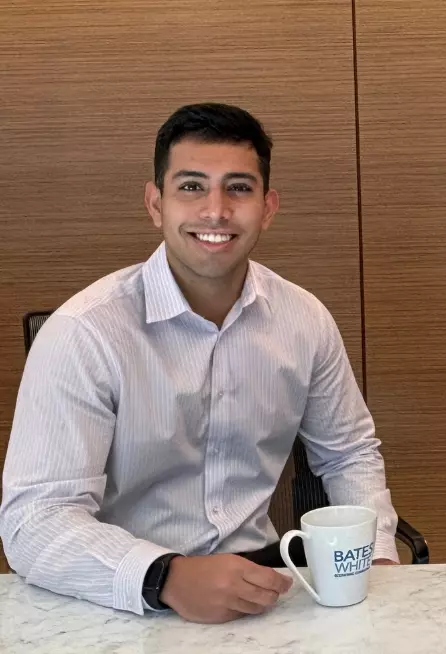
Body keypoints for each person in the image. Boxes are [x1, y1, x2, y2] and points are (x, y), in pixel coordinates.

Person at [0, 103, 399, 623]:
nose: (216, 211)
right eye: (191, 187)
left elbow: (348, 454)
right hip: (119, 593)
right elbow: (35, 520)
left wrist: (377, 554)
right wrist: (164, 576)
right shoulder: (85, 331)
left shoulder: (305, 319)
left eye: (238, 188)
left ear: (268, 206)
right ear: (155, 202)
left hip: (266, 586)